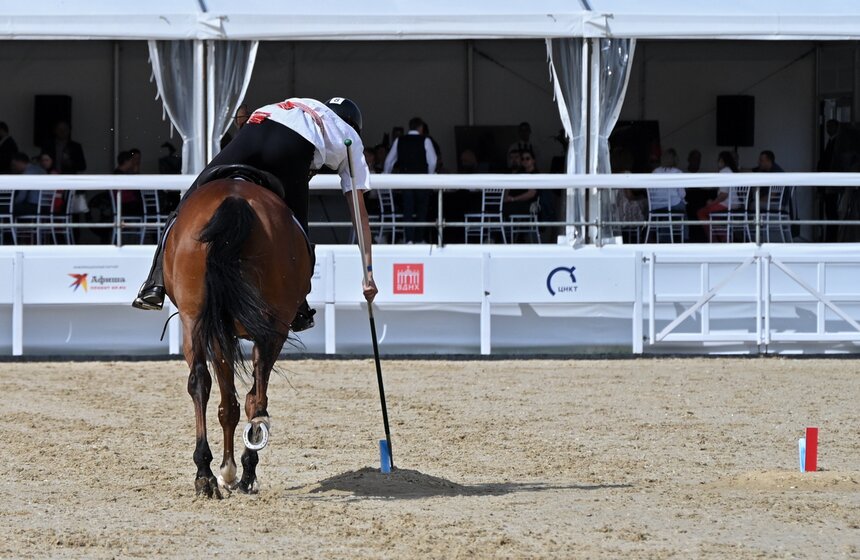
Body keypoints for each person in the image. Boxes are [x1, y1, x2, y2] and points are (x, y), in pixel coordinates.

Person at [133, 97, 378, 332]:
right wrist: (368, 275)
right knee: (299, 235)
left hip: (254, 129)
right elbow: (360, 215)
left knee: (186, 203)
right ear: (354, 125)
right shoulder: (351, 138)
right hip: (293, 147)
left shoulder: (305, 105)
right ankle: (299, 306)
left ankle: (154, 283)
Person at [382, 116, 437, 243]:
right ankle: (419, 239)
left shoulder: (400, 140)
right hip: (422, 181)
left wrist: (386, 176)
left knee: (408, 210)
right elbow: (433, 161)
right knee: (421, 210)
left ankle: (409, 239)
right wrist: (429, 176)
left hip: (405, 180)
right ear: (421, 128)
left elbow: (389, 161)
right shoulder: (425, 140)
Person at [696, 151, 738, 241]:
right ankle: (721, 238)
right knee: (713, 214)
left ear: (722, 161)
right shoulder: (730, 171)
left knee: (701, 212)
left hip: (727, 204)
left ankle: (716, 239)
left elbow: (723, 195)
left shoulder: (725, 172)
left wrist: (711, 203)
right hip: (732, 203)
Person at [649, 148, 686, 212]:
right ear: (675, 159)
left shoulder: (655, 172)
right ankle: (682, 222)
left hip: (656, 206)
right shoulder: (678, 172)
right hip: (673, 205)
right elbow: (682, 194)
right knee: (682, 207)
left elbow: (651, 192)